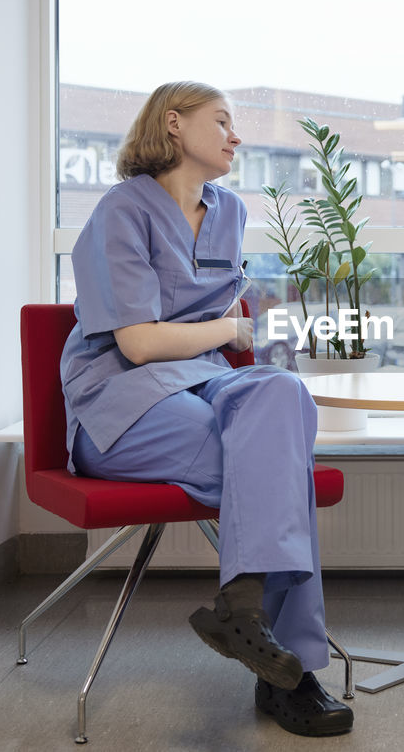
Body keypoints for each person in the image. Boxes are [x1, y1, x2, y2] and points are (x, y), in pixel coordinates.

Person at [59, 81, 352, 737]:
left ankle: (241, 610)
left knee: (282, 393)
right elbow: (138, 344)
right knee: (278, 468)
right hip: (119, 403)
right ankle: (294, 674)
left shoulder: (229, 211)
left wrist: (244, 336)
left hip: (199, 380)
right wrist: (231, 332)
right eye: (221, 121)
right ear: (173, 125)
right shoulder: (120, 213)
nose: (235, 136)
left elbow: (222, 314)